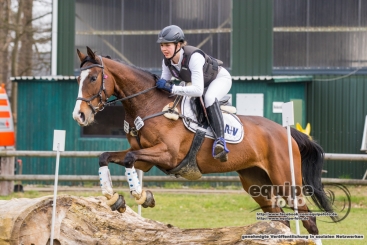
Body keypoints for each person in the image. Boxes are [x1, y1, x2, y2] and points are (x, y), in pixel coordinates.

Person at [155, 25, 232, 162]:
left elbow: (197, 90)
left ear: (178, 45)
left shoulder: (194, 57)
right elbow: (164, 83)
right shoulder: (166, 61)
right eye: (161, 45)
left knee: (208, 98)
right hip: (198, 84)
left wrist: (171, 88)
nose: (163, 49)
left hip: (219, 79)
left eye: (167, 45)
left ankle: (220, 141)